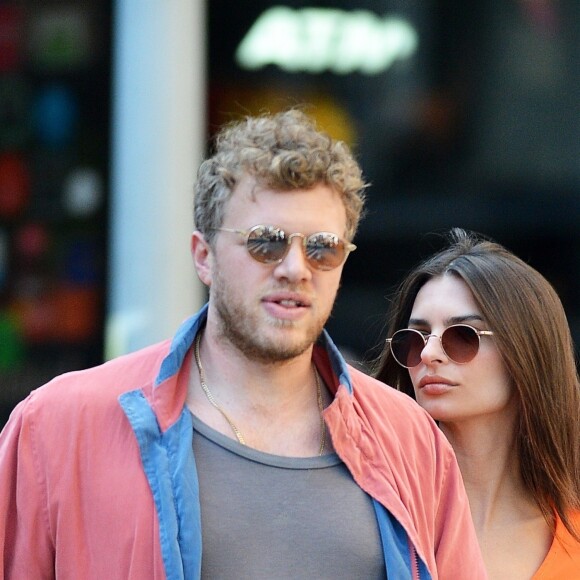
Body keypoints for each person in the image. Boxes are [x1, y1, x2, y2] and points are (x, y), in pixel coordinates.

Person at [0, 111, 485, 579]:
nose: (295, 268)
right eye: (266, 242)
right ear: (204, 256)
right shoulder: (57, 427)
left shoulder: (410, 441)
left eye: (321, 247)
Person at [375, 228, 580, 579]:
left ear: (526, 351)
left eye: (462, 336)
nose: (428, 354)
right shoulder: (373, 512)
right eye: (415, 337)